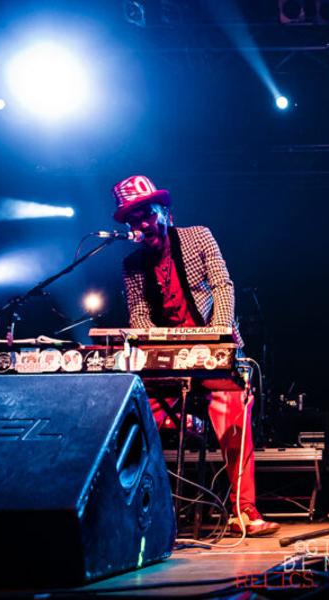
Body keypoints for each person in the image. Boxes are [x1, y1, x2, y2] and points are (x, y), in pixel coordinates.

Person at [112, 174, 279, 536]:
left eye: (146, 214)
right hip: (168, 364)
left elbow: (223, 285)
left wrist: (218, 340)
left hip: (212, 353)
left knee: (232, 406)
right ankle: (138, 512)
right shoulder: (132, 266)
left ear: (165, 212)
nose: (141, 224)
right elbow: (139, 315)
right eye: (133, 219)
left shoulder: (198, 236)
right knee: (128, 410)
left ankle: (243, 510)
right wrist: (162, 348)